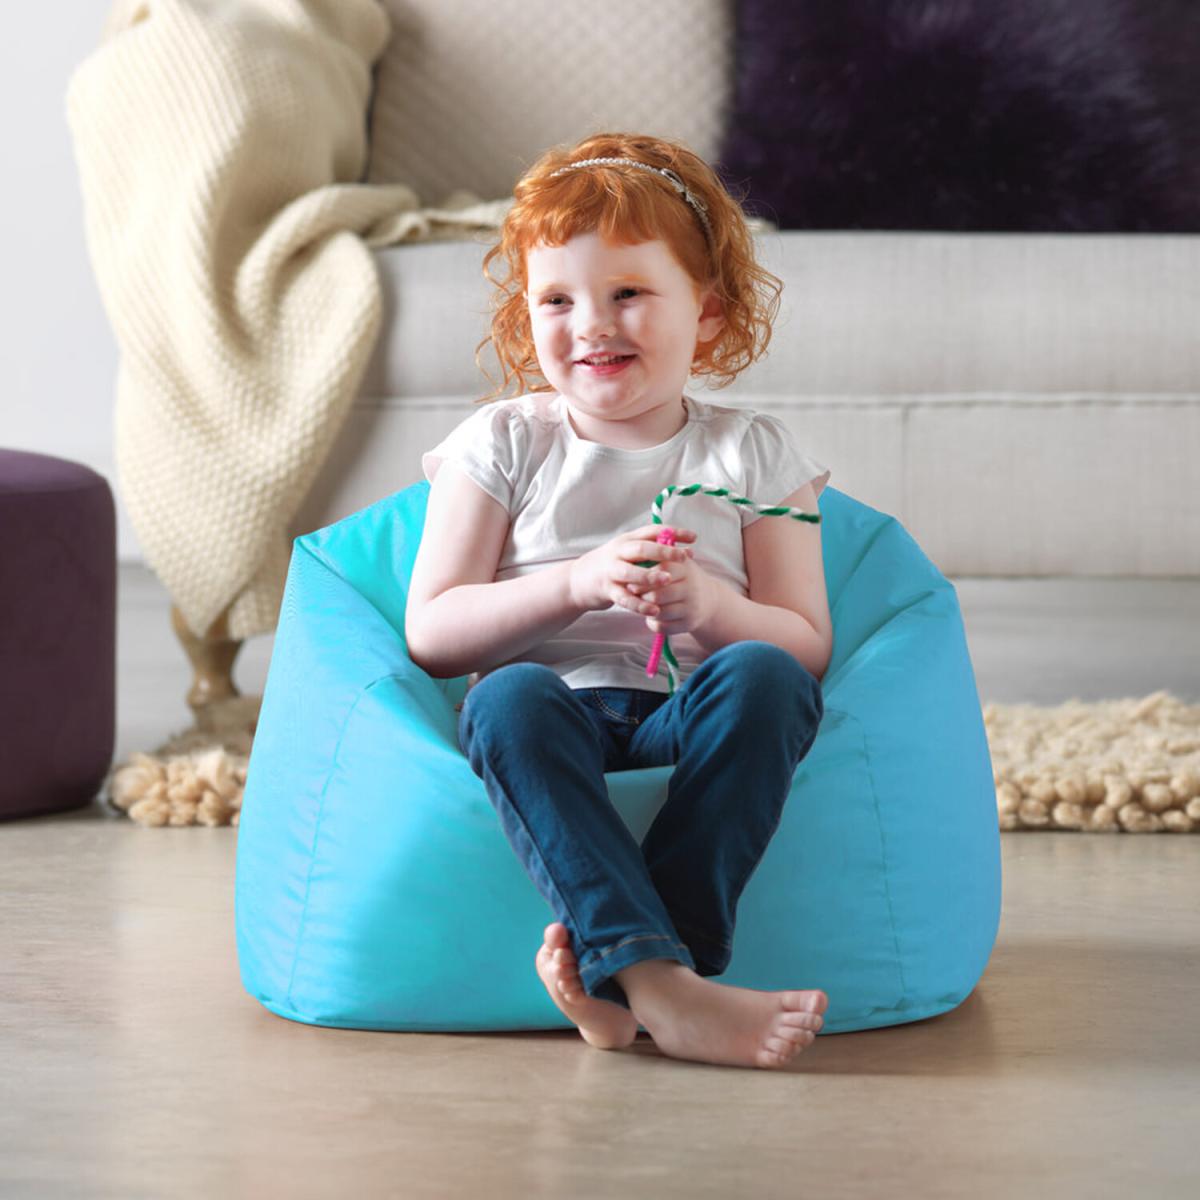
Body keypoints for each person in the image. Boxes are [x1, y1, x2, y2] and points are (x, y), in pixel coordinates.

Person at [406, 132, 833, 1070]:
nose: (592, 324)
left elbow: (805, 643)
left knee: (766, 676)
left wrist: (711, 609)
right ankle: (663, 987)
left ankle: (631, 984)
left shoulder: (754, 453)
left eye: (628, 292)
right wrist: (573, 583)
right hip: (553, 717)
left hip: (684, 716)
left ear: (708, 312)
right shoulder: (504, 442)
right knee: (506, 697)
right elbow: (433, 632)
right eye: (557, 300)